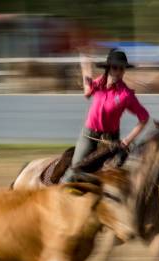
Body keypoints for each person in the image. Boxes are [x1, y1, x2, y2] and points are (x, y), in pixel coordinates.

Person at [61, 49, 150, 182]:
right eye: (115, 67)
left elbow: (144, 118)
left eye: (122, 68)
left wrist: (127, 141)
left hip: (111, 140)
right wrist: (86, 67)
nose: (118, 72)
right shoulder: (98, 83)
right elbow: (87, 92)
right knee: (74, 172)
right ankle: (62, 190)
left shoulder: (126, 95)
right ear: (108, 68)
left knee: (113, 178)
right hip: (89, 135)